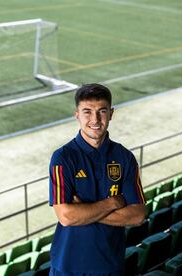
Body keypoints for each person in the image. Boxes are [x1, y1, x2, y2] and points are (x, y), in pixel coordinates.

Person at [48, 83, 146, 275]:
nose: (95, 119)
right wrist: (112, 203)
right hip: (67, 267)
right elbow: (66, 216)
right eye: (87, 112)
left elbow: (137, 216)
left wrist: (85, 210)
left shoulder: (124, 157)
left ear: (111, 113)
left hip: (109, 267)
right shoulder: (63, 157)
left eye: (102, 111)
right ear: (77, 115)